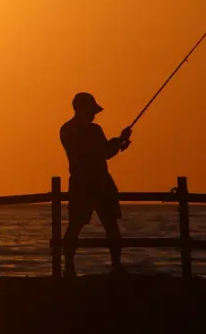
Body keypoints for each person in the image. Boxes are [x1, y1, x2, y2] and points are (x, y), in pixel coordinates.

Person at [60, 92, 132, 277]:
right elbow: (99, 151)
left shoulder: (70, 129)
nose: (94, 114)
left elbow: (104, 152)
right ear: (81, 109)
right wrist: (118, 141)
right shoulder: (77, 130)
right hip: (90, 182)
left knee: (108, 225)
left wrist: (119, 142)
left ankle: (114, 266)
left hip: (91, 181)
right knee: (78, 225)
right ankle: (69, 267)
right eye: (91, 110)